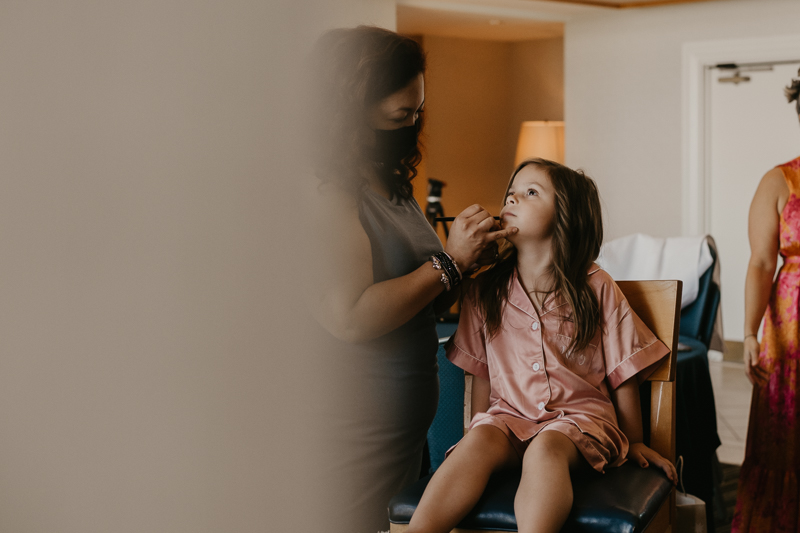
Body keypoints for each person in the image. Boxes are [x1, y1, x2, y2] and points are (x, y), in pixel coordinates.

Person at [304, 26, 517, 532]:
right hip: (350, 431)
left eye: (418, 112)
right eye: (402, 114)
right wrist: (449, 263)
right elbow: (349, 316)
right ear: (351, 105)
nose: (414, 124)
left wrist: (473, 264)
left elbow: (419, 290)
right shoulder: (323, 191)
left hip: (402, 428)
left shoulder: (387, 176)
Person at [404, 159, 677, 533]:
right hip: (508, 419)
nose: (513, 197)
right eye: (511, 191)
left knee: (546, 448)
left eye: (531, 192)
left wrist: (635, 442)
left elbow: (623, 372)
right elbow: (481, 375)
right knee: (476, 442)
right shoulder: (484, 291)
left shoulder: (596, 287)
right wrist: (479, 437)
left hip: (580, 423)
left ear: (566, 217)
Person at [733, 69, 800, 533]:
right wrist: (749, 333)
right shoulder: (779, 181)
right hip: (789, 329)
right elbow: (760, 263)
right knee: (786, 433)